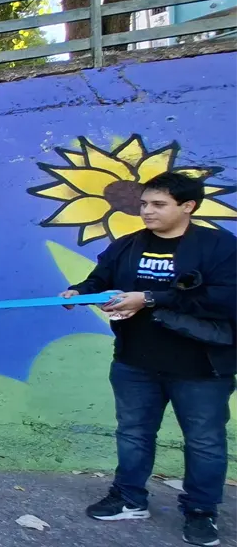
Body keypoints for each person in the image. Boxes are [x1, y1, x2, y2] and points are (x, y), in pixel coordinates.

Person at [62, 172, 237, 547]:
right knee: (133, 433)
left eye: (158, 204)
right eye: (144, 203)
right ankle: (129, 498)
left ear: (187, 206)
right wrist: (80, 291)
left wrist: (151, 298)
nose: (146, 211)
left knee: (204, 441)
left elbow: (226, 299)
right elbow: (100, 280)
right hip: (134, 361)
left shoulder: (220, 247)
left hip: (200, 366)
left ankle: (201, 511)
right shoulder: (127, 246)